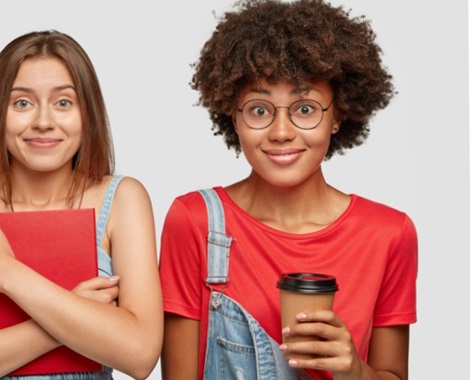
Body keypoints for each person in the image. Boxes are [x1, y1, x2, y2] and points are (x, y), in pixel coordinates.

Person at [158, 1, 417, 379]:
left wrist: (356, 371)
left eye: (306, 109)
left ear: (338, 115)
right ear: (234, 115)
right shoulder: (195, 221)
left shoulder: (388, 234)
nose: (281, 132)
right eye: (260, 110)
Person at [0, 30, 163, 380]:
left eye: (64, 102)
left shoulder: (124, 199)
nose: (43, 121)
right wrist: (73, 318)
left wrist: (8, 274)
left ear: (88, 113)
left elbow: (140, 355)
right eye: (22, 103)